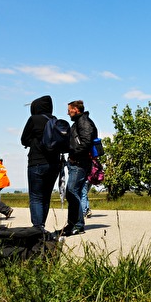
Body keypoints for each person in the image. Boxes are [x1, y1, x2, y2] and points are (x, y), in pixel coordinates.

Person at [21, 95, 63, 230]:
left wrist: (34, 142)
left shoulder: (34, 119)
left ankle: (38, 228)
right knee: (46, 197)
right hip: (55, 164)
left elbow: (23, 140)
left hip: (37, 162)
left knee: (36, 197)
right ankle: (42, 226)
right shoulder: (55, 121)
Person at [61, 100, 98, 237]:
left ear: (76, 109)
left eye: (69, 110)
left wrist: (74, 156)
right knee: (71, 192)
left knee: (72, 192)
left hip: (79, 163)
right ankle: (71, 224)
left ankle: (77, 225)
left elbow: (86, 142)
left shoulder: (84, 122)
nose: (67, 112)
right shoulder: (78, 122)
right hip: (77, 163)